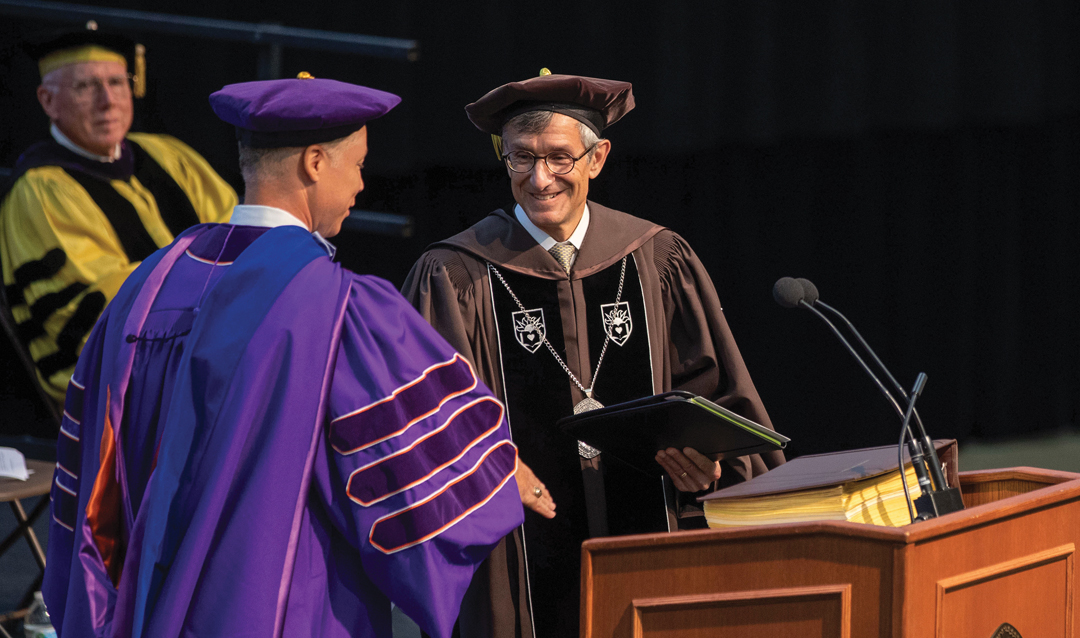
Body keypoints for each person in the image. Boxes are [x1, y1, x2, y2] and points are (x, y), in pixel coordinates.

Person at [42, 75, 524, 638]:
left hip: (142, 608)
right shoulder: (334, 305)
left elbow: (87, 476)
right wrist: (498, 470)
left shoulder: (142, 288)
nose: (363, 185)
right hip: (282, 608)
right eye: (360, 164)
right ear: (315, 162)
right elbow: (423, 473)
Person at [402, 71, 786, 638]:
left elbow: (722, 402)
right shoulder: (455, 274)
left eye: (559, 158)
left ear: (597, 158)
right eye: (520, 159)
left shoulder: (658, 259)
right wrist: (484, 473)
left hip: (651, 541)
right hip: (519, 559)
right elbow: (422, 420)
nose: (540, 178)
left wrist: (711, 463)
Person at [0, 29, 236, 404]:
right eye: (85, 87)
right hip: (116, 390)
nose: (107, 101)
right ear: (48, 101)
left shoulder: (169, 155)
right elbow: (101, 311)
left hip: (205, 354)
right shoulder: (41, 190)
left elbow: (238, 237)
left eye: (116, 82)